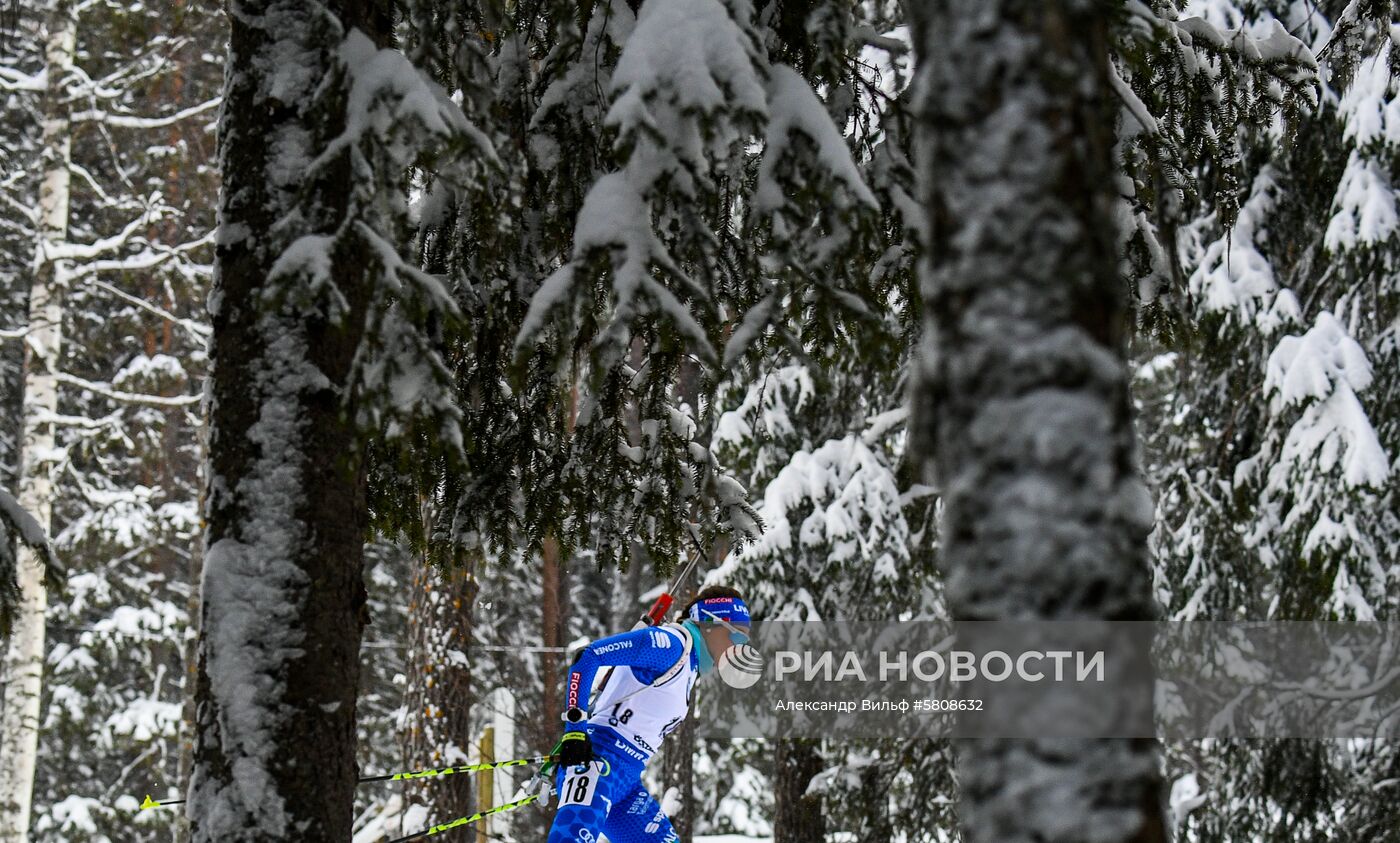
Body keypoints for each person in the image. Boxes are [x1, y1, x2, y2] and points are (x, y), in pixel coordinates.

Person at [545, 585, 751, 843]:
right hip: (596, 765)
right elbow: (587, 657)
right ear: (710, 624)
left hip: (626, 781)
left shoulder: (688, 665)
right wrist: (574, 732)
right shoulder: (670, 646)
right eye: (736, 636)